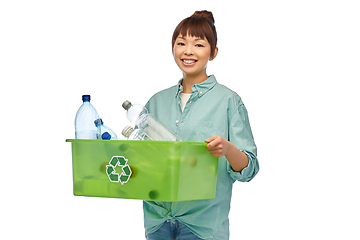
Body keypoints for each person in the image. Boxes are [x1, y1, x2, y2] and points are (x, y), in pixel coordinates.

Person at [144, 10, 259, 240]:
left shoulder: (228, 101)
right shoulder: (156, 102)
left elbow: (250, 168)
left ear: (213, 52)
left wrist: (227, 149)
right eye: (181, 43)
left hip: (203, 228)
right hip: (157, 224)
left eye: (198, 44)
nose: (188, 51)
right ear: (173, 48)